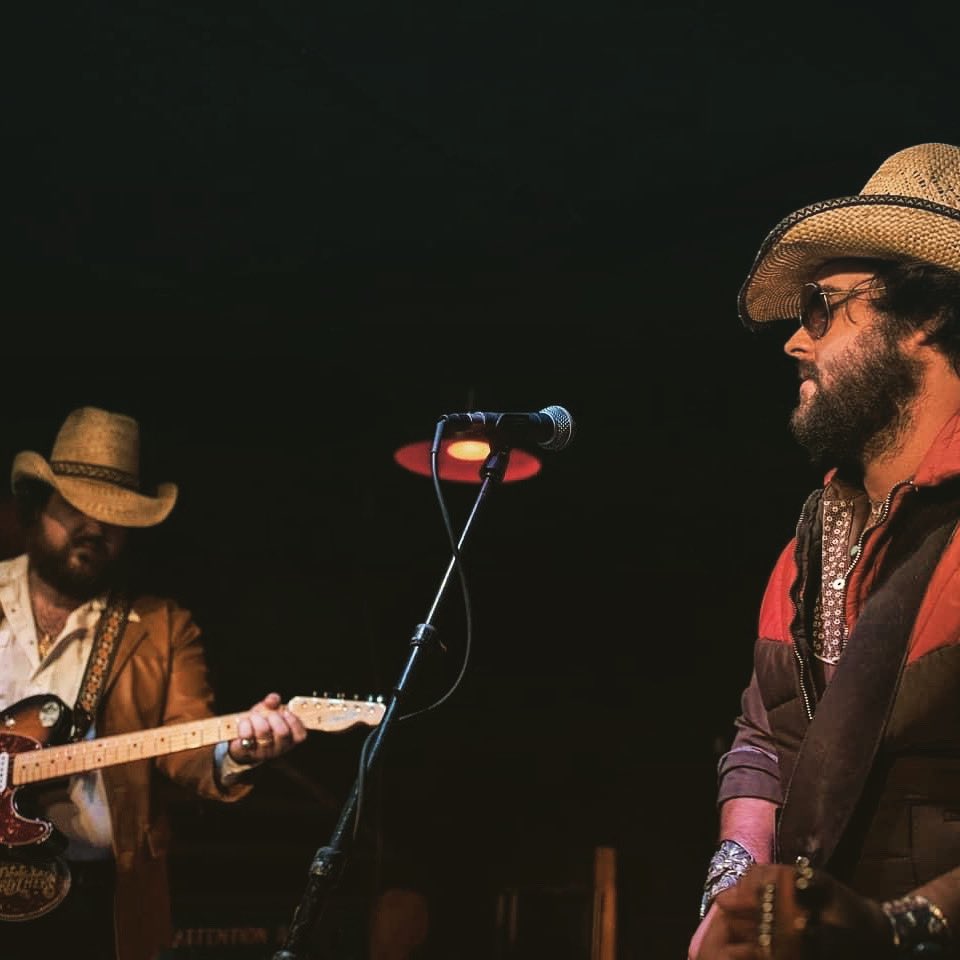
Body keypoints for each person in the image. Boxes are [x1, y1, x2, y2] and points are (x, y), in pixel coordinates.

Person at [688, 142, 960, 959]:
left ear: (925, 316)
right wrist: (735, 883)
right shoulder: (811, 542)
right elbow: (765, 737)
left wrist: (896, 926)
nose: (795, 343)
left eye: (822, 308)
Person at [0, 406, 308, 960]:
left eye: (115, 517)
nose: (96, 528)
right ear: (36, 506)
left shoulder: (163, 627)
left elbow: (187, 746)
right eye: (77, 508)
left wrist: (237, 750)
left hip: (95, 900)